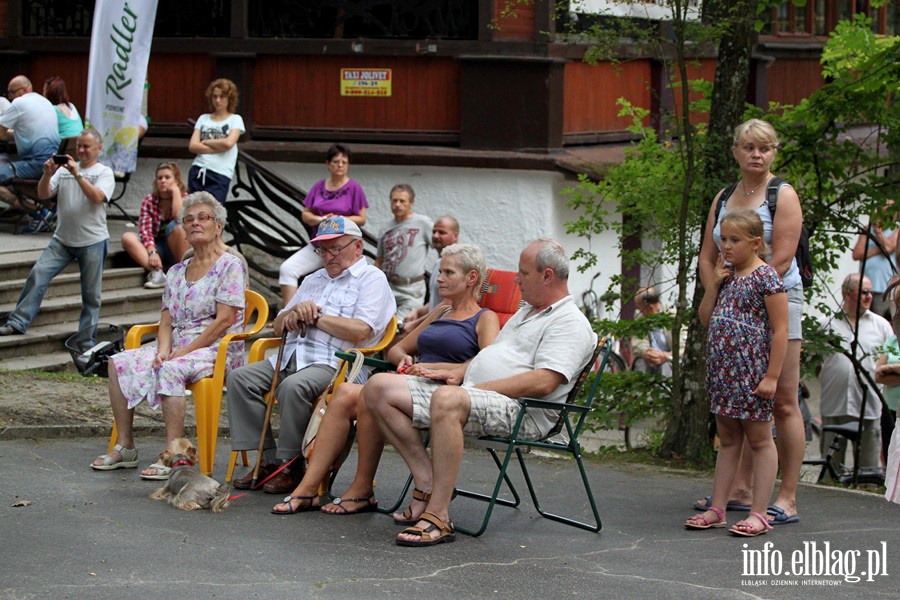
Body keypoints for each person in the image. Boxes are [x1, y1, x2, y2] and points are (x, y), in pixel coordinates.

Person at [367, 239, 596, 546]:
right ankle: (427, 481)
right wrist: (456, 372)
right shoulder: (528, 311)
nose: (515, 279)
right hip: (477, 394)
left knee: (447, 400)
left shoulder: (569, 322)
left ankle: (438, 515)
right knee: (377, 387)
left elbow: (543, 382)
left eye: (523, 273)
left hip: (521, 410)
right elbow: (494, 356)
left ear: (547, 276)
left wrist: (473, 388)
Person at [271, 243, 499, 515]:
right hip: (411, 383)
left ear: (471, 278)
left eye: (448, 272)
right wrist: (404, 359)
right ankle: (308, 488)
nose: (438, 278)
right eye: (439, 271)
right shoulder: (441, 312)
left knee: (369, 392)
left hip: (444, 390)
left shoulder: (485, 318)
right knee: (345, 392)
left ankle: (362, 487)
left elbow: (487, 362)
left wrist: (442, 367)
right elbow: (396, 348)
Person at [226, 216, 395, 494]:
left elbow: (362, 329)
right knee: (239, 379)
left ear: (358, 246)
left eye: (336, 249)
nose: (329, 256)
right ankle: (267, 462)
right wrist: (293, 313)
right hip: (292, 354)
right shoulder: (312, 279)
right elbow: (277, 326)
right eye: (323, 250)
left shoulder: (372, 279)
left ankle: (291, 466)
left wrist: (316, 317)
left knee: (293, 387)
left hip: (337, 362)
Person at [695, 118, 806, 525]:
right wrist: (718, 291)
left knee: (782, 398)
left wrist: (744, 288)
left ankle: (788, 496)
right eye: (749, 148)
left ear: (774, 152)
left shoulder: (783, 195)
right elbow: (708, 257)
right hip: (730, 304)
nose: (757, 155)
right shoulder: (725, 196)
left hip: (776, 299)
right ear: (736, 152)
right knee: (738, 400)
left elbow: (781, 258)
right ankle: (738, 491)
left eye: (765, 148)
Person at [90, 193, 247, 478]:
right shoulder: (175, 271)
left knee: (172, 369)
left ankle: (174, 454)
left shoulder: (230, 266)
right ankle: (125, 446)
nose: (195, 223)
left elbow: (225, 320)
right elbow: (166, 321)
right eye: (189, 219)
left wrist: (181, 353)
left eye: (203, 217)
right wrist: (163, 350)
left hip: (216, 348)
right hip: (179, 347)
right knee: (118, 362)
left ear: (219, 226)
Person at [686, 209, 788, 537]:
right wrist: (713, 283)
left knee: (759, 440)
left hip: (752, 373)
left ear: (756, 243)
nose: (726, 247)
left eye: (734, 240)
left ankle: (759, 512)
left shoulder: (766, 277)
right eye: (724, 240)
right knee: (728, 439)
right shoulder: (726, 276)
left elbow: (781, 330)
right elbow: (705, 319)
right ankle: (718, 507)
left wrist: (772, 376)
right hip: (723, 373)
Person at [0, 129, 113, 343]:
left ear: (98, 149)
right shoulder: (63, 171)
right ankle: (17, 322)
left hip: (93, 241)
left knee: (91, 295)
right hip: (62, 239)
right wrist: (47, 174)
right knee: (38, 275)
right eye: (79, 145)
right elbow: (43, 194)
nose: (81, 150)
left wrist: (77, 174)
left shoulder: (104, 172)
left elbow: (97, 197)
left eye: (86, 146)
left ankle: (85, 341)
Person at [278, 144, 368, 306]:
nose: (340, 165)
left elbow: (361, 218)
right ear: (328, 164)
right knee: (287, 269)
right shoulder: (319, 186)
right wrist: (321, 220)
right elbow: (306, 214)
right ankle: (288, 314)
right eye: (336, 161)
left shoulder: (354, 188)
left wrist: (340, 219)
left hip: (342, 247)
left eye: (344, 162)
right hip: (319, 245)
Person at [818, 273, 891, 474]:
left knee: (869, 472)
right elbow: (815, 363)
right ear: (847, 294)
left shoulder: (881, 325)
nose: (869, 296)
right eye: (864, 292)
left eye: (870, 292)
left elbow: (891, 359)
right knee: (830, 470)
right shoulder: (826, 324)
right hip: (834, 404)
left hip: (868, 407)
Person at [121, 162, 189, 289]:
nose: (163, 181)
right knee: (128, 237)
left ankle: (183, 273)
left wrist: (175, 192)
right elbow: (145, 230)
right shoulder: (149, 201)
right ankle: (157, 272)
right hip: (156, 247)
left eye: (167, 177)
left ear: (177, 181)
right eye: (160, 178)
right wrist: (152, 251)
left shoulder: (185, 199)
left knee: (178, 227)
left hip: (176, 248)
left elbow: (180, 218)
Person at [375, 183, 433, 322]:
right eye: (394, 200)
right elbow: (379, 260)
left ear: (411, 203)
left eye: (402, 201)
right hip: (388, 287)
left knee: (400, 327)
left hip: (412, 290)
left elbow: (441, 246)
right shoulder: (385, 228)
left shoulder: (423, 223)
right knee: (381, 326)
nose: (397, 204)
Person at [400, 215, 460, 335]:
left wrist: (415, 325)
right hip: (433, 328)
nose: (435, 236)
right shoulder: (439, 263)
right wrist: (417, 311)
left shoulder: (456, 263)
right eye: (434, 231)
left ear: (455, 236)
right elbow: (436, 301)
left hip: (444, 331)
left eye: (442, 232)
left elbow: (448, 304)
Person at [187, 78, 244, 204]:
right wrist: (219, 146)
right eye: (215, 96)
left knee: (213, 215)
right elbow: (193, 145)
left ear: (229, 98)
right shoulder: (203, 118)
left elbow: (229, 143)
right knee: (194, 212)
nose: (218, 100)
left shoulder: (235, 119)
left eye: (222, 96)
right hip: (199, 169)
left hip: (220, 173)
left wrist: (206, 141)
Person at [0, 75, 59, 188]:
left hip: (37, 164)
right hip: (54, 162)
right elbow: (29, 132)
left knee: (4, 172)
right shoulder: (44, 101)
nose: (10, 97)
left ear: (25, 90)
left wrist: (9, 134)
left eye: (12, 92)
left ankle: (21, 204)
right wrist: (16, 134)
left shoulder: (19, 103)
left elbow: (0, 133)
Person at [852, 201, 898, 320]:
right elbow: (857, 254)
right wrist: (880, 248)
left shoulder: (897, 227)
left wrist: (878, 233)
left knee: (881, 319)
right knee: (861, 319)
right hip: (865, 284)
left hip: (884, 286)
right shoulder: (867, 229)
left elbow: (889, 248)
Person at [630, 286, 685, 378]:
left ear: (649, 307)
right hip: (649, 359)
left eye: (639, 306)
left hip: (670, 359)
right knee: (641, 364)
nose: (638, 309)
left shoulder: (673, 316)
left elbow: (683, 346)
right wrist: (646, 352)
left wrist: (666, 356)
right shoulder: (639, 316)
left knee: (665, 367)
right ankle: (638, 392)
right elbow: (638, 342)